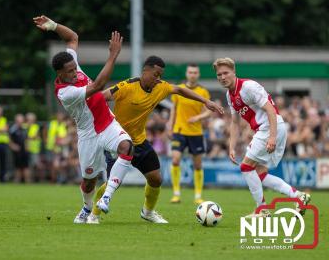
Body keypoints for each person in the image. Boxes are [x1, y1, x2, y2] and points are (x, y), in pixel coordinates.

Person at [87, 56, 224, 224]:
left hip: (139, 141)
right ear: (145, 71)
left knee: (156, 179)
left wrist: (205, 101)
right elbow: (100, 98)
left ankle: (148, 212)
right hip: (117, 142)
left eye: (160, 75)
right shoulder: (127, 87)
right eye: (155, 74)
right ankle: (94, 214)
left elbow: (180, 90)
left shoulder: (161, 87)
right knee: (112, 183)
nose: (158, 79)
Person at [33, 15, 133, 224]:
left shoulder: (71, 65)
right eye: (69, 72)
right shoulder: (64, 92)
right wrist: (113, 56)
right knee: (89, 181)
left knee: (127, 147)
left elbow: (72, 38)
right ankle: (87, 208)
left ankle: (105, 198)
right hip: (88, 134)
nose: (74, 73)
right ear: (59, 73)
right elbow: (97, 86)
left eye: (74, 68)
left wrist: (53, 26)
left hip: (107, 123)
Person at [213, 57, 311, 217]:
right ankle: (299, 196)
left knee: (245, 167)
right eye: (219, 75)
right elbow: (235, 123)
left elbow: (271, 110)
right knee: (260, 173)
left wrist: (272, 137)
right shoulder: (229, 95)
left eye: (226, 73)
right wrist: (231, 146)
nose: (223, 77)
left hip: (271, 128)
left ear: (234, 72)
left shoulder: (248, 87)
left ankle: (262, 209)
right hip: (266, 130)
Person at [167, 63, 211, 204]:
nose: (192, 74)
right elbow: (173, 109)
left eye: (195, 72)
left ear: (198, 74)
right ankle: (176, 193)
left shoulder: (203, 92)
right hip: (179, 130)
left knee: (197, 165)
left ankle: (198, 196)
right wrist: (170, 124)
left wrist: (198, 118)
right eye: (190, 72)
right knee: (175, 159)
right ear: (187, 74)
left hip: (196, 132)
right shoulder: (179, 90)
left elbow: (209, 111)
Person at [9, 114, 31, 183]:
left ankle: (27, 181)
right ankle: (17, 180)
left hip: (24, 150)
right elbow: (9, 140)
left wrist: (28, 146)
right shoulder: (12, 129)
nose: (20, 122)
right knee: (17, 167)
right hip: (17, 151)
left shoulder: (25, 128)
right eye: (19, 121)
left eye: (21, 120)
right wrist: (13, 146)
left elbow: (27, 139)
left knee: (26, 166)